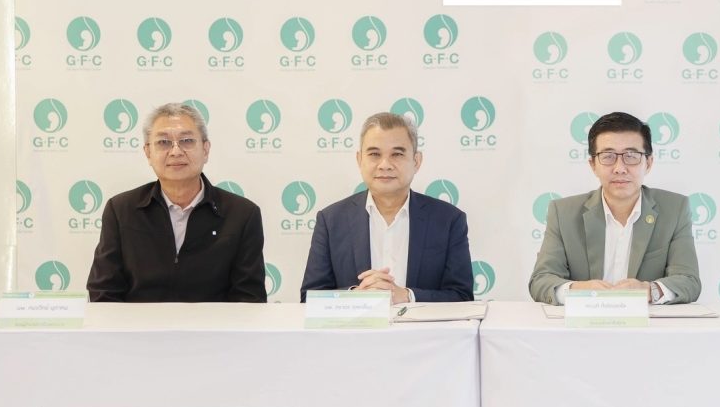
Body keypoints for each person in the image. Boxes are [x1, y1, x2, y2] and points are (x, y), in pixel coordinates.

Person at [87, 102, 267, 302]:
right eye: (163, 142)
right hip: (139, 323)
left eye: (187, 141)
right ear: (148, 152)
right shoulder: (121, 210)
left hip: (212, 323)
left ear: (205, 150)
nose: (175, 151)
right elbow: (103, 293)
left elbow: (249, 299)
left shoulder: (242, 215)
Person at [528, 111, 701, 305]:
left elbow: (689, 281)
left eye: (631, 156)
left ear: (648, 163)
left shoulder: (675, 209)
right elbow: (541, 280)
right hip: (584, 322)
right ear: (593, 165)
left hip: (647, 322)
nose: (620, 168)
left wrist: (648, 290)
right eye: (608, 156)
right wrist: (578, 290)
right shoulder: (563, 213)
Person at [300, 112, 473, 303]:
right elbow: (309, 298)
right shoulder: (331, 220)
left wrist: (407, 296)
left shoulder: (448, 220)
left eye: (397, 154)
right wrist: (355, 296)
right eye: (374, 154)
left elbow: (462, 296)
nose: (385, 165)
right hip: (358, 324)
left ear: (416, 161)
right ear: (359, 160)